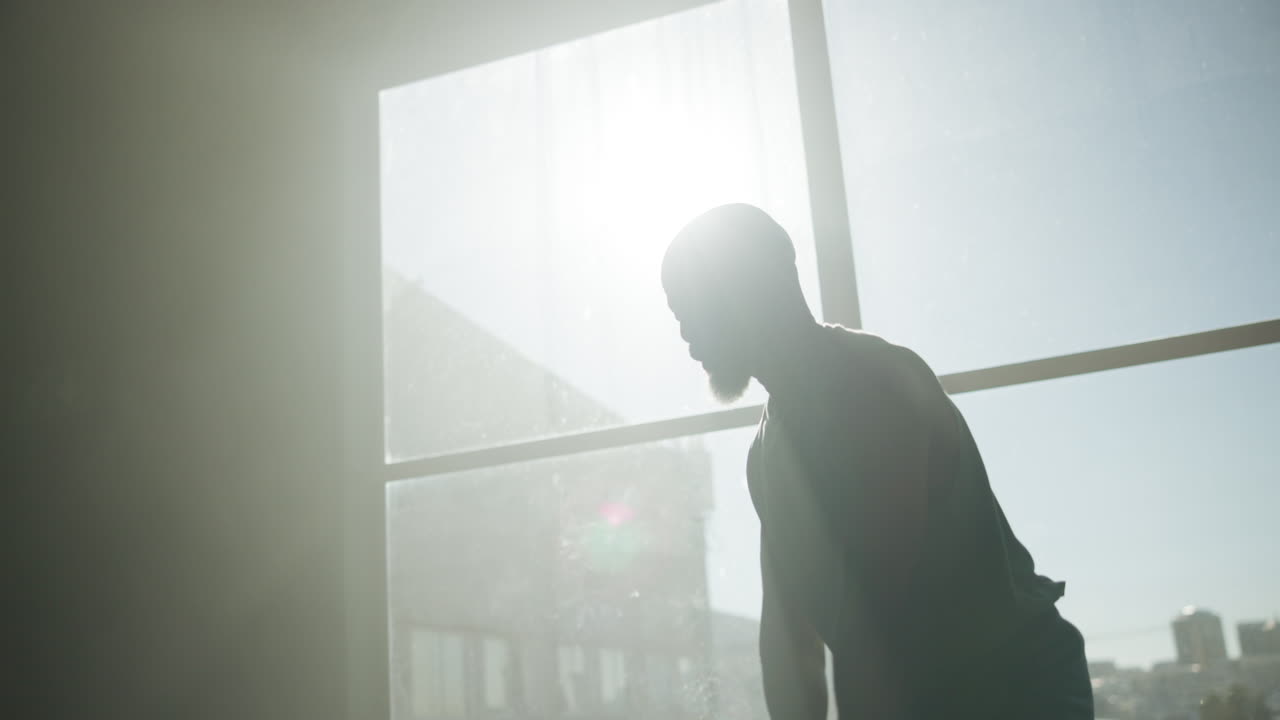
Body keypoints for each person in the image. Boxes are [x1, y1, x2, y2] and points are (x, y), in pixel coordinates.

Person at [661, 204, 1094, 719]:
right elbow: (788, 640)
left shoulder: (872, 385)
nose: (686, 336)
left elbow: (876, 626)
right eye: (678, 315)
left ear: (761, 281)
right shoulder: (765, 455)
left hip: (1015, 692)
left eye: (693, 305)